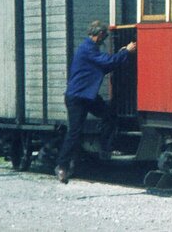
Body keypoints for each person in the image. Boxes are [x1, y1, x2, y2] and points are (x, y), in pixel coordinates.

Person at [54, 21, 135, 183]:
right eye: (103, 37)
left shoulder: (89, 49)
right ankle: (61, 166)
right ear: (97, 35)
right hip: (77, 97)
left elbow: (104, 66)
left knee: (109, 115)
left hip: (87, 96)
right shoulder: (87, 49)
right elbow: (106, 63)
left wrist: (121, 54)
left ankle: (105, 149)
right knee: (74, 132)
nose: (103, 41)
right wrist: (127, 51)